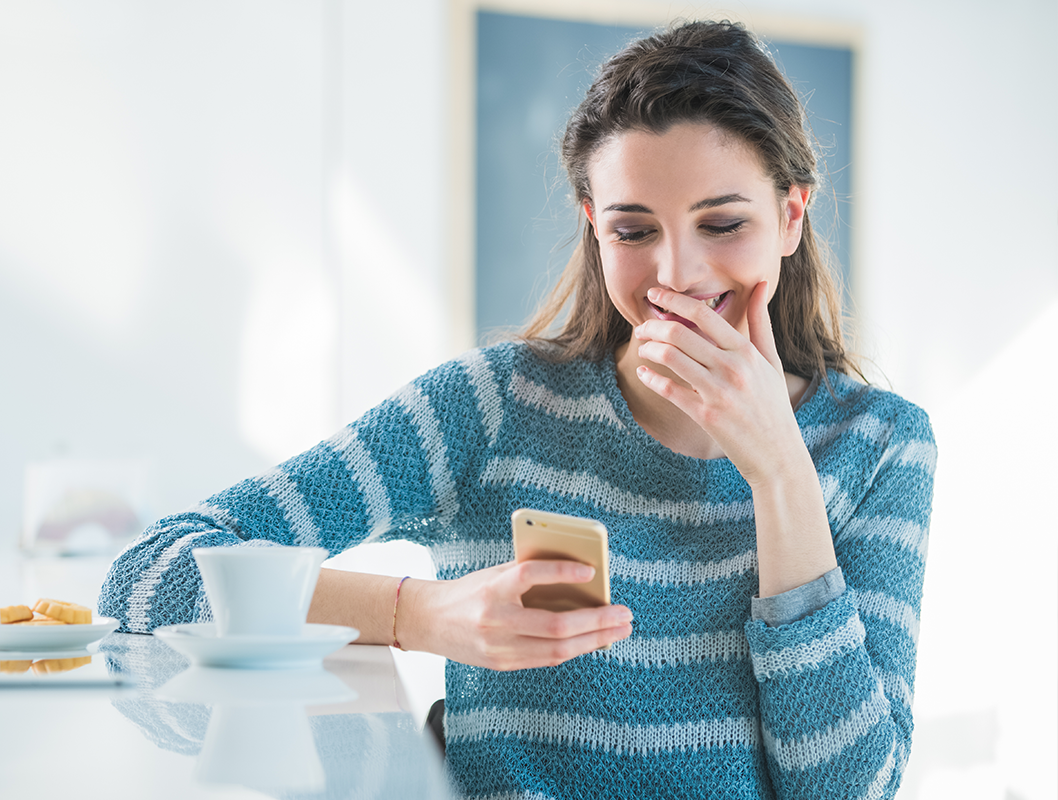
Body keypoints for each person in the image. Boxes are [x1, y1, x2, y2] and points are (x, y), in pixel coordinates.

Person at [99, 19, 935, 800]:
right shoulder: (493, 404)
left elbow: (848, 788)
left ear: (791, 216)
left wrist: (781, 474)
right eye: (633, 232)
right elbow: (148, 579)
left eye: (721, 223)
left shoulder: (882, 443)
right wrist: (418, 615)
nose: (676, 273)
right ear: (591, 226)